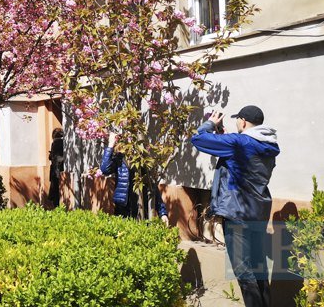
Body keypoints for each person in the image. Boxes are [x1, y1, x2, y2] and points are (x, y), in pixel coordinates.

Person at [191, 105, 280, 307]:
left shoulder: (239, 142)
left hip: (237, 211)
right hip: (258, 211)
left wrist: (210, 124)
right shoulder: (268, 145)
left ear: (243, 122)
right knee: (258, 268)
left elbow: (198, 139)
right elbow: (237, 157)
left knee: (242, 270)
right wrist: (222, 133)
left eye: (237, 120)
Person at [100, 133, 169, 224]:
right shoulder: (119, 159)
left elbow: (153, 188)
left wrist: (162, 213)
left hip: (141, 206)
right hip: (123, 205)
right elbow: (105, 169)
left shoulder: (144, 161)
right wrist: (110, 145)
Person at [48, 128, 65, 207]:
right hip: (60, 169)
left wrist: (51, 155)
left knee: (55, 189)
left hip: (56, 170)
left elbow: (53, 157)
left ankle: (56, 205)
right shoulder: (63, 142)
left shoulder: (55, 143)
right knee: (57, 189)